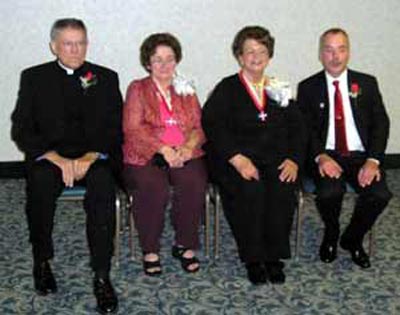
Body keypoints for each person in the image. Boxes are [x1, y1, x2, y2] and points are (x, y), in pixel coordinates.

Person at [11, 18, 122, 314]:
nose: (76, 49)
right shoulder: (34, 77)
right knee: (40, 189)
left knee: (102, 191)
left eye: (81, 42)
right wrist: (56, 159)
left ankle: (102, 275)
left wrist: (90, 156)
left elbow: (115, 129)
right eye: (68, 43)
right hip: (51, 157)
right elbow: (21, 128)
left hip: (93, 157)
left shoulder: (106, 77)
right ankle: (42, 261)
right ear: (54, 46)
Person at [202, 26, 305, 285]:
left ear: (269, 56)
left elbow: (299, 128)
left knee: (282, 188)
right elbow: (213, 126)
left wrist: (293, 158)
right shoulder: (227, 89)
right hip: (236, 161)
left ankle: (274, 256)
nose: (256, 57)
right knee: (251, 191)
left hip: (275, 159)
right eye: (249, 51)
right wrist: (237, 158)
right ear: (239, 56)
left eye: (262, 51)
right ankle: (253, 258)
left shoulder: (279, 88)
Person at [297, 28, 392, 269]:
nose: (335, 56)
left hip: (361, 156)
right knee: (330, 192)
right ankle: (331, 231)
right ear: (320, 54)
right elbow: (305, 129)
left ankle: (353, 238)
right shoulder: (308, 87)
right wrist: (320, 156)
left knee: (380, 194)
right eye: (328, 50)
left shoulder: (367, 83)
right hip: (327, 155)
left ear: (348, 52)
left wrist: (373, 160)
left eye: (341, 49)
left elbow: (381, 123)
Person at [122, 33, 207, 276]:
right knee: (153, 188)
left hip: (184, 151)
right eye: (157, 59)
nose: (164, 65)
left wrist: (188, 147)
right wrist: (164, 149)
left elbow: (199, 126)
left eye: (169, 59)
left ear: (177, 61)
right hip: (146, 153)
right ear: (148, 63)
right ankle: (150, 249)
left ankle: (185, 244)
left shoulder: (185, 87)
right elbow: (132, 128)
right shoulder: (138, 88)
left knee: (193, 182)